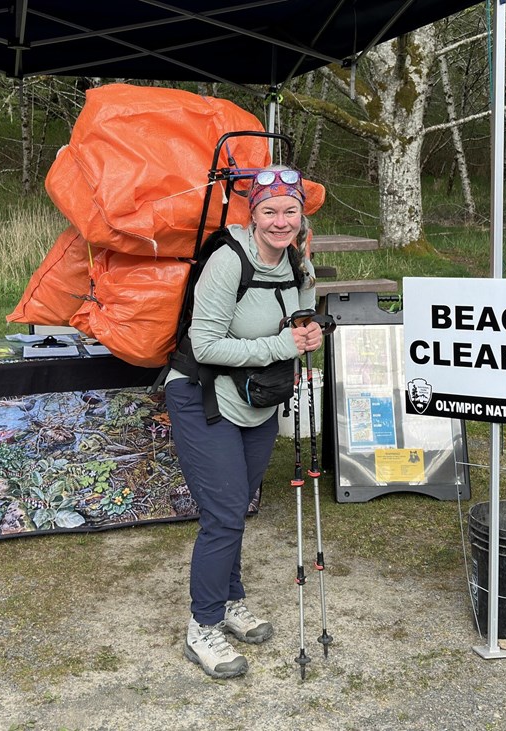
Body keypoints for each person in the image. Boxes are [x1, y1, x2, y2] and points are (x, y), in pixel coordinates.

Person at [164, 164, 321, 679]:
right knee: (225, 513)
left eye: (290, 211)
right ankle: (202, 626)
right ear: (252, 214)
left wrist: (311, 332)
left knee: (240, 507)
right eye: (269, 211)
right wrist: (282, 346)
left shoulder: (297, 263)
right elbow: (205, 343)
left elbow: (298, 323)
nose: (280, 221)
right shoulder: (228, 262)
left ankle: (229, 601)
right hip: (202, 394)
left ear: (302, 215)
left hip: (258, 399)